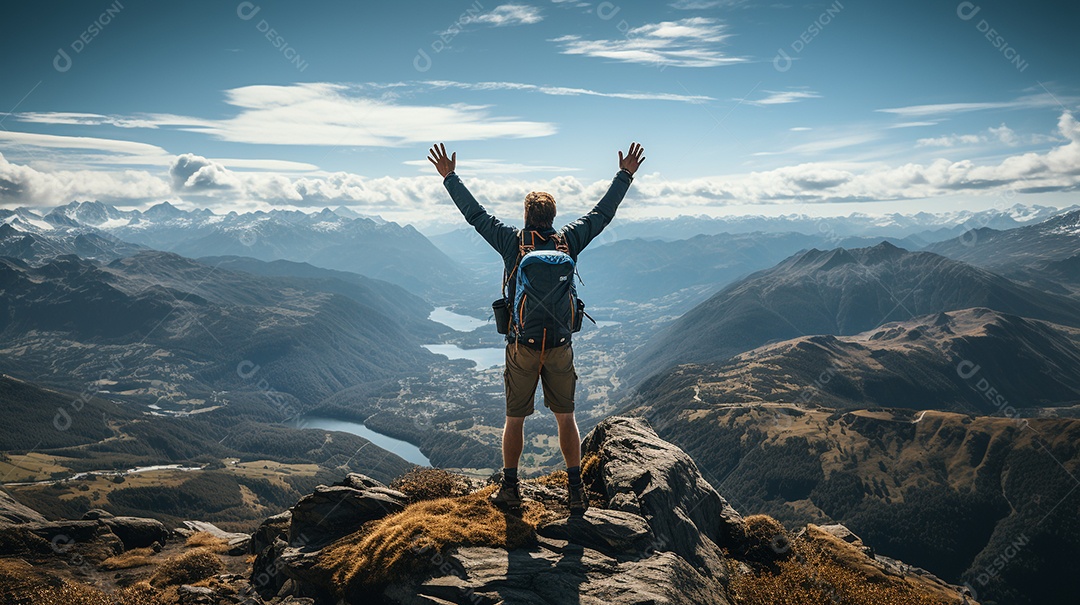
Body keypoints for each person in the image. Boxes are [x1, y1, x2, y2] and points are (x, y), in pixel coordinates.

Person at [428, 142, 645, 514]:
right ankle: (576, 492)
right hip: (560, 343)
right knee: (566, 418)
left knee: (515, 419)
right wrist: (625, 175)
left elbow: (476, 215)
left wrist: (450, 177)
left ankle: (510, 488)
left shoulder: (512, 242)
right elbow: (602, 213)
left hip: (521, 345)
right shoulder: (569, 240)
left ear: (526, 215)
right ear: (554, 215)